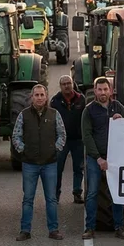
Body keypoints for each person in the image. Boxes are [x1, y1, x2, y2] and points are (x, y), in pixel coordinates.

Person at [13, 84, 67, 241]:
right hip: (29, 164)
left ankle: (53, 229)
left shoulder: (54, 114)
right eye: (36, 95)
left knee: (51, 198)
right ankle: (25, 230)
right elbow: (16, 135)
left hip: (49, 163)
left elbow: (62, 134)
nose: (39, 98)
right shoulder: (23, 115)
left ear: (46, 96)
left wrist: (55, 149)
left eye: (42, 95)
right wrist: (23, 149)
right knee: (28, 198)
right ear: (32, 97)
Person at [82, 77, 124, 240]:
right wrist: (98, 158)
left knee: (116, 193)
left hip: (115, 158)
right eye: (99, 90)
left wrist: (122, 121)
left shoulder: (118, 107)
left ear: (110, 91)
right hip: (96, 159)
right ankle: (90, 227)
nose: (103, 93)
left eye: (105, 89)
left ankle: (119, 226)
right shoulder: (89, 110)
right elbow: (87, 136)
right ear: (95, 91)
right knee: (93, 193)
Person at [51, 76, 86, 205]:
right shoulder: (55, 101)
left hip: (78, 139)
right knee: (58, 168)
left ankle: (77, 193)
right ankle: (55, 195)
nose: (67, 86)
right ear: (60, 86)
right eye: (64, 84)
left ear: (73, 84)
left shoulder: (81, 100)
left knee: (78, 167)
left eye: (69, 83)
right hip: (61, 140)